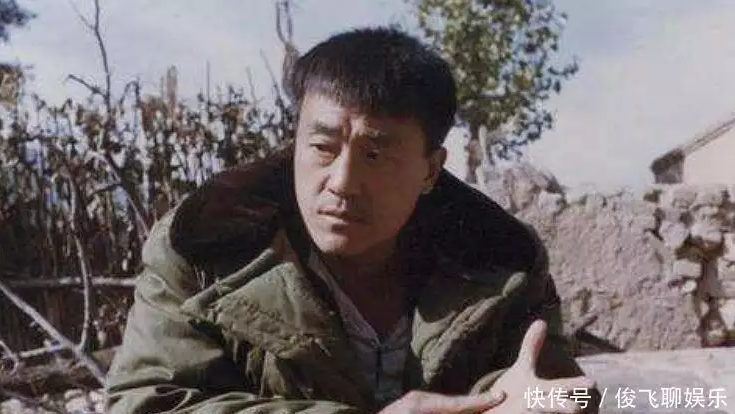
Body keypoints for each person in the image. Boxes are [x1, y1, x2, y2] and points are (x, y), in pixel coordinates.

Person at [105, 27, 600, 413]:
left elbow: (574, 394)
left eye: (375, 155)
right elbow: (145, 403)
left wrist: (528, 402)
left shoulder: (503, 260)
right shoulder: (205, 244)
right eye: (323, 147)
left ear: (430, 170)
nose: (342, 182)